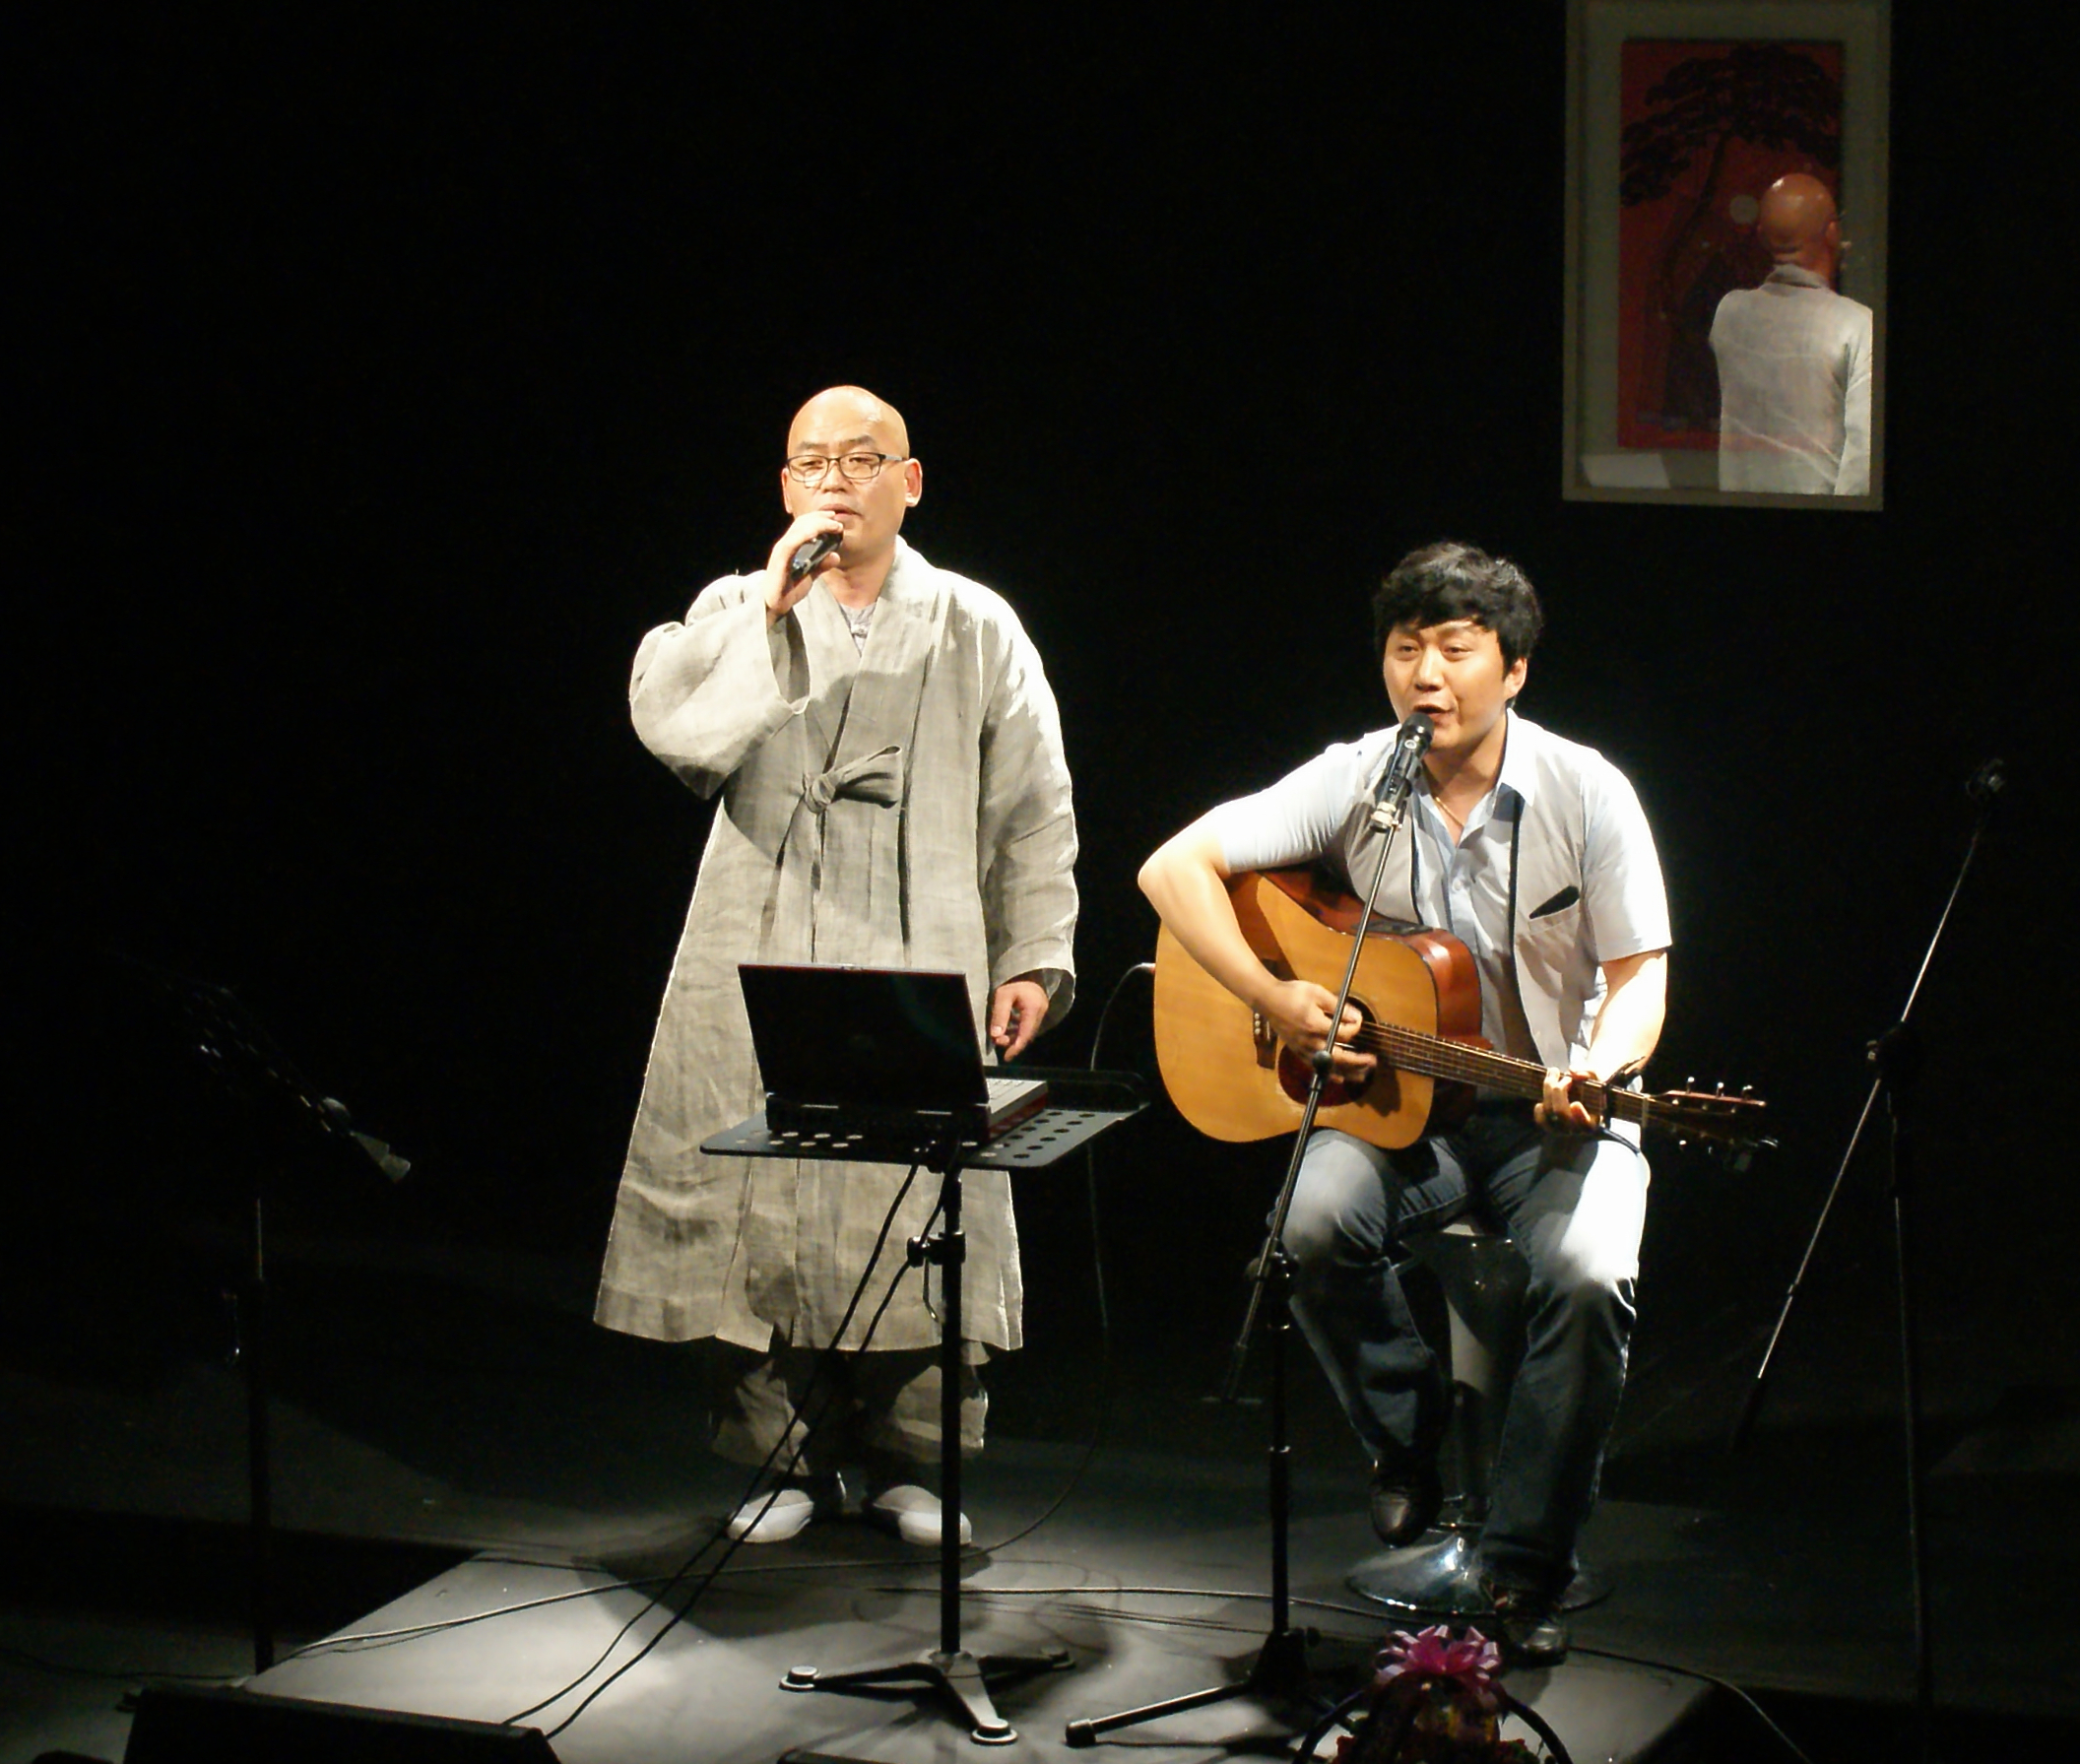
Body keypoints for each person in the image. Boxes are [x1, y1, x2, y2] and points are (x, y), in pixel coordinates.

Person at [1138, 543, 1669, 1661]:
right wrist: (1273, 997)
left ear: (1513, 669)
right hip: (1407, 1110)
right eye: (1405, 649)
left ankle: (1524, 1562)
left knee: (1586, 1278)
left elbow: (1639, 975)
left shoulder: (1588, 791)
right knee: (1306, 1229)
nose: (1426, 674)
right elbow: (1170, 869)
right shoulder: (1359, 781)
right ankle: (1412, 1445)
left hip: (1553, 1111)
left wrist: (1603, 1070)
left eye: (1455, 650)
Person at [595, 385, 1078, 1549]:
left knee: (913, 1186)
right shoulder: (736, 605)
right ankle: (781, 1456)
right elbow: (678, 733)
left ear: (908, 482)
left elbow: (1033, 805)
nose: (834, 481)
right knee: (755, 1189)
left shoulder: (975, 621)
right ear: (784, 486)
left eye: (861, 461)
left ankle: (915, 1459)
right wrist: (770, 609)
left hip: (920, 928)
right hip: (757, 922)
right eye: (812, 462)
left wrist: (1031, 955)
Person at [1710, 171, 1875, 495]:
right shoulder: (1857, 324)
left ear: (1761, 236)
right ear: (1832, 232)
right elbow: (1863, 461)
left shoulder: (1729, 313)